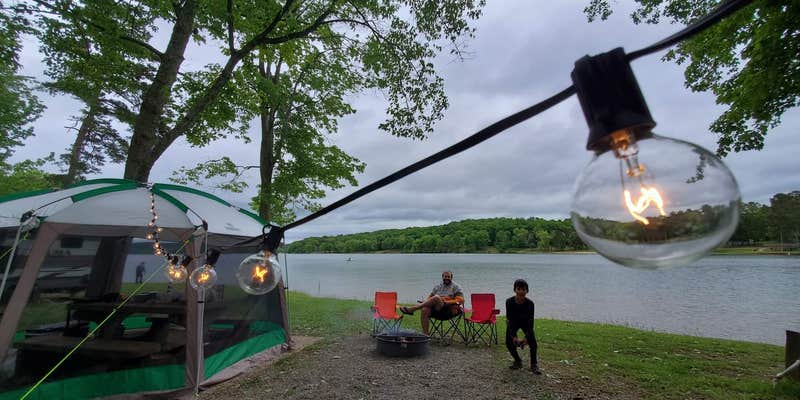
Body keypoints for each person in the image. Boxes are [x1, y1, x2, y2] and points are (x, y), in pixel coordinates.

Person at [399, 270, 464, 335]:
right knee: (425, 309)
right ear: (442, 277)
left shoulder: (456, 287)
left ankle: (413, 309)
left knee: (436, 297)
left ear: (451, 277)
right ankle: (426, 335)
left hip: (449, 310)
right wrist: (425, 302)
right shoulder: (437, 287)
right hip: (437, 310)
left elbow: (460, 300)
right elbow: (430, 298)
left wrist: (446, 302)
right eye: (445, 276)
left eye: (448, 277)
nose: (446, 278)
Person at [505, 278, 542, 375]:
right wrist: (514, 337)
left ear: (527, 291)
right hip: (514, 323)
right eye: (519, 289)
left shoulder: (530, 304)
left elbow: (531, 322)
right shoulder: (509, 302)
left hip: (526, 323)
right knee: (508, 342)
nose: (521, 292)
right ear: (515, 290)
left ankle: (534, 364)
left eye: (524, 289)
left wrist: (526, 338)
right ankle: (517, 361)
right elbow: (509, 320)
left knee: (533, 342)